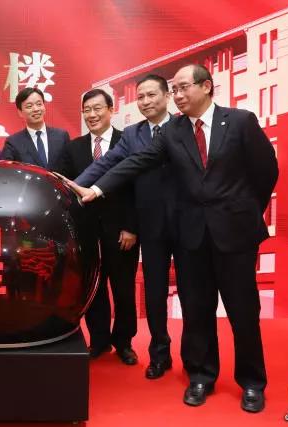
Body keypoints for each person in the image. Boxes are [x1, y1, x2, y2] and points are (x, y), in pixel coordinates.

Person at [67, 64, 278, 413]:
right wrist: (96, 189)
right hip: (191, 234)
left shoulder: (240, 121)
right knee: (197, 310)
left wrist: (244, 209)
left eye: (182, 88)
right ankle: (201, 375)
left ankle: (252, 382)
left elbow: (266, 170)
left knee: (243, 311)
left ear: (206, 86)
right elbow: (137, 160)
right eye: (175, 89)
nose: (177, 95)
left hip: (234, 234)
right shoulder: (173, 130)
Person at [75, 75, 179, 379]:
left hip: (187, 223)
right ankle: (159, 355)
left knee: (194, 295)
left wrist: (97, 191)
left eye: (151, 95)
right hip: (152, 226)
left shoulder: (184, 127)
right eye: (140, 96)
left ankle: (197, 360)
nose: (145, 101)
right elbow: (107, 163)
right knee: (155, 294)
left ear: (167, 96)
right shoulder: (133, 134)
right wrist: (74, 186)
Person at [58, 89, 140, 365]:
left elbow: (136, 189)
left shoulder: (127, 141)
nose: (92, 115)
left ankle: (124, 342)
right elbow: (66, 188)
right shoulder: (73, 148)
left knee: (124, 289)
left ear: (110, 109)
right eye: (87, 110)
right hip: (86, 233)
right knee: (94, 289)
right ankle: (99, 340)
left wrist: (131, 226)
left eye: (97, 109)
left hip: (121, 232)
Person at [1, 87, 69, 171]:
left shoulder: (61, 136)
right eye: (29, 106)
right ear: (20, 112)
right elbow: (6, 172)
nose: (36, 109)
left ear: (44, 106)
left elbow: (70, 167)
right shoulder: (13, 142)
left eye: (39, 104)